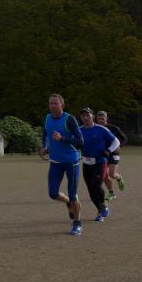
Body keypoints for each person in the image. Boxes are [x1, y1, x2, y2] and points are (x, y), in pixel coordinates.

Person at [38, 93, 84, 236]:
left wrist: (62, 138)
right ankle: (69, 203)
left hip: (71, 162)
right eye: (50, 103)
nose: (52, 106)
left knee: (73, 194)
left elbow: (80, 141)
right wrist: (45, 147)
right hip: (55, 162)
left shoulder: (69, 119)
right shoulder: (47, 118)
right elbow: (46, 134)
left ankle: (77, 223)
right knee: (53, 193)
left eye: (55, 103)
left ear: (62, 105)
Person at [78, 107, 120, 222]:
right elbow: (74, 143)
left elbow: (116, 141)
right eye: (83, 116)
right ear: (81, 118)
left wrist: (108, 151)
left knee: (96, 185)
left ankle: (103, 205)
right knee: (91, 190)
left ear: (92, 116)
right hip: (86, 162)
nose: (86, 117)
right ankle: (101, 210)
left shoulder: (101, 129)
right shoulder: (79, 130)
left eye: (88, 115)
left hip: (100, 162)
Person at [96, 111, 127, 200]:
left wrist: (118, 146)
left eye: (102, 119)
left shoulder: (114, 128)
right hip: (103, 154)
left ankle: (119, 178)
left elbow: (124, 138)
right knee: (105, 175)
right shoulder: (95, 128)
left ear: (106, 118)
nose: (101, 120)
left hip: (114, 154)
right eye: (99, 119)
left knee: (112, 174)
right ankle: (111, 193)